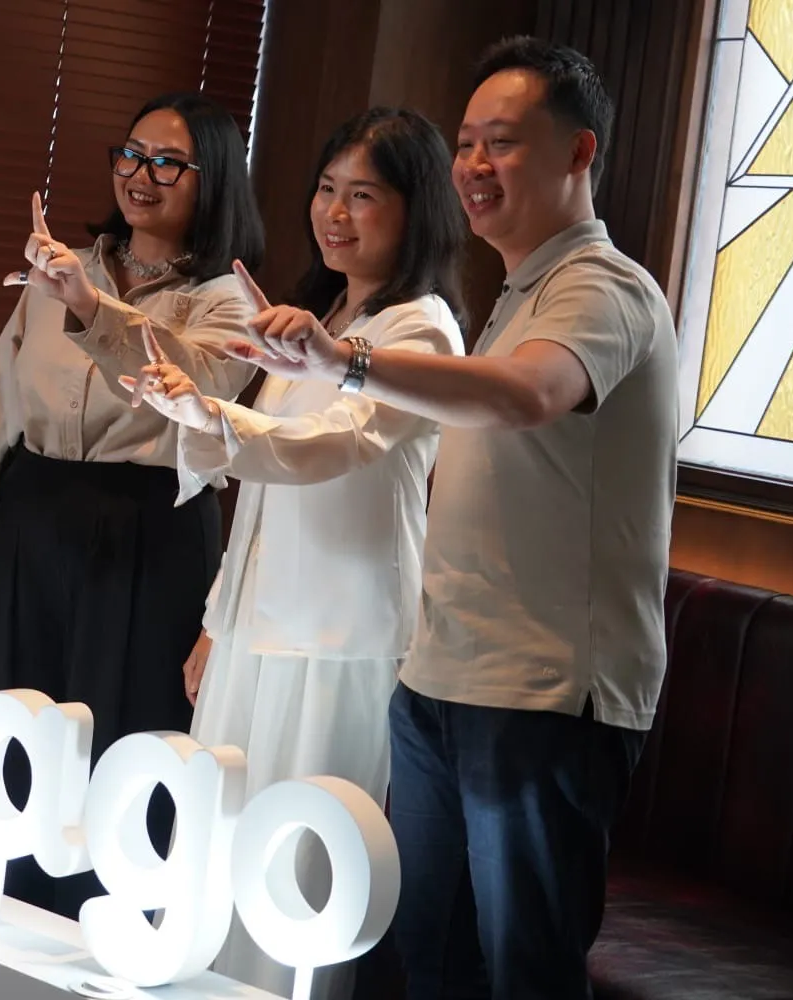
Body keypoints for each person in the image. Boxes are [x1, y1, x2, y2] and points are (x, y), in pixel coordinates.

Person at [227, 38, 678, 1000]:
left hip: (543, 692)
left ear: (579, 153)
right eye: (466, 142)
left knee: (522, 973)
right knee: (427, 964)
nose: (473, 164)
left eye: (501, 142)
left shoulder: (604, 285)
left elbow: (529, 395)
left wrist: (345, 362)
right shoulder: (514, 295)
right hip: (440, 678)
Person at [123, 106, 466, 1000]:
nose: (334, 213)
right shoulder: (319, 315)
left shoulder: (420, 330)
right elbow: (264, 496)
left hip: (338, 641)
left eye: (364, 195)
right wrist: (216, 620)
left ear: (416, 208)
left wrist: (213, 416)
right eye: (325, 189)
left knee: (293, 881)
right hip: (253, 630)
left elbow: (332, 447)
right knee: (213, 862)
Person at [0, 92, 264, 920]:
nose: (141, 175)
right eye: (131, 155)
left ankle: (94, 934)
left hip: (152, 528)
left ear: (212, 179)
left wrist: (88, 307)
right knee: (3, 723)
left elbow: (192, 387)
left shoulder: (232, 302)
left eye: (168, 163)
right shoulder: (61, 269)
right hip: (33, 514)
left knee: (118, 740)